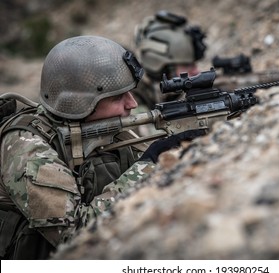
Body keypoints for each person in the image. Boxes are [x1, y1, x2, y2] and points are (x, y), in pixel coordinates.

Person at [0, 35, 203, 259]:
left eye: (130, 92)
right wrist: (149, 165)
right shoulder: (26, 146)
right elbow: (75, 233)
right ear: (79, 102)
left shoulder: (103, 128)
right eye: (117, 97)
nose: (132, 104)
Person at [132, 10, 207, 110]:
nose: (196, 71)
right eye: (187, 65)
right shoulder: (131, 98)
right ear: (162, 68)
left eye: (194, 64)